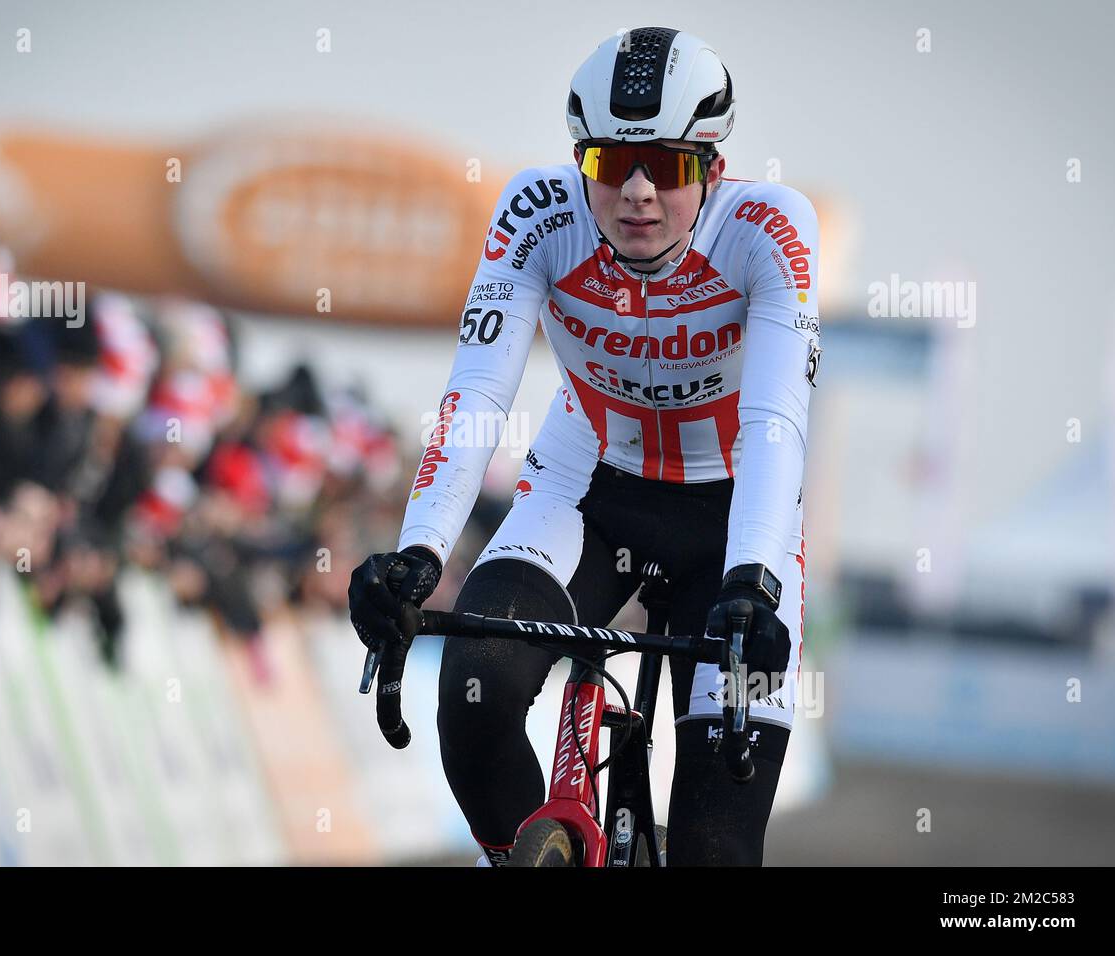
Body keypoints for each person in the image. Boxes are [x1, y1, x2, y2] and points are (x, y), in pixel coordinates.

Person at [349, 27, 821, 866]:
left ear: (713, 168)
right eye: (609, 164)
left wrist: (754, 579)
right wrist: (418, 554)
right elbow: (477, 394)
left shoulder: (769, 228)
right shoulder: (538, 212)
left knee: (718, 844)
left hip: (736, 518)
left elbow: (776, 421)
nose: (637, 192)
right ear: (581, 163)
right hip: (589, 491)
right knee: (475, 692)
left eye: (668, 167)